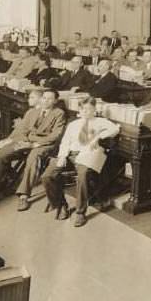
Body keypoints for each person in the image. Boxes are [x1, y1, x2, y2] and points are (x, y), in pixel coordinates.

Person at [0, 89, 66, 210]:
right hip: (26, 141)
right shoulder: (32, 112)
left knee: (33, 159)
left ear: (55, 101)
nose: (46, 101)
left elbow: (56, 135)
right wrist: (25, 142)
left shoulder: (59, 113)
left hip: (43, 145)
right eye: (44, 98)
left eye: (50, 99)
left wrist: (34, 144)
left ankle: (24, 196)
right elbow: (22, 130)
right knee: (0, 156)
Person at [40, 97, 120, 227]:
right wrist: (62, 157)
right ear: (80, 110)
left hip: (88, 154)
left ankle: (80, 212)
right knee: (47, 176)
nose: (86, 112)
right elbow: (65, 142)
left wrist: (98, 137)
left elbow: (115, 129)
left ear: (94, 109)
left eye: (89, 109)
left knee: (82, 176)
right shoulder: (73, 124)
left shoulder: (101, 121)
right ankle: (60, 205)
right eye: (83, 109)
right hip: (70, 154)